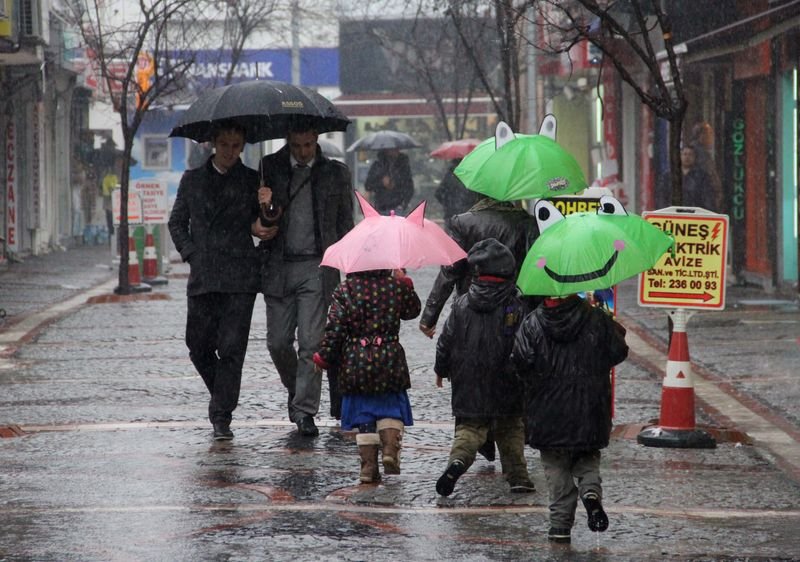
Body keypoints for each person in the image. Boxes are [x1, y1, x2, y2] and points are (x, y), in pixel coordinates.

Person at [252, 120, 354, 437]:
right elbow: (264, 219)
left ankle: (304, 411)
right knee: (278, 342)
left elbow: (345, 224)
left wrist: (349, 265)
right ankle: (297, 391)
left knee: (312, 344)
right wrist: (264, 210)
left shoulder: (336, 173)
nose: (302, 152)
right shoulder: (270, 168)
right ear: (288, 140)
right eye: (296, 146)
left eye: (307, 145)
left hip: (317, 267)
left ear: (316, 140)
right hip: (279, 267)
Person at [168, 120, 261, 441]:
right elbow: (177, 222)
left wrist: (267, 207)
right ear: (213, 144)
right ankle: (221, 394)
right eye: (225, 145)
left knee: (233, 349)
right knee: (198, 345)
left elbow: (265, 222)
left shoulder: (251, 180)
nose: (230, 152)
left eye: (236, 146)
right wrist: (192, 253)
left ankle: (221, 415)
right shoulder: (193, 180)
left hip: (239, 277)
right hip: (204, 276)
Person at [511, 293, 629, 544]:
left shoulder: (532, 323)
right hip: (590, 407)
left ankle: (560, 526)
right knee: (587, 459)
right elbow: (618, 351)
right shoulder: (596, 318)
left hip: (547, 409)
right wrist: (611, 325)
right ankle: (590, 494)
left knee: (556, 468)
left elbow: (520, 361)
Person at [434, 238, 535, 496]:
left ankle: (457, 463)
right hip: (508, 379)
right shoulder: (517, 304)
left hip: (469, 378)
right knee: (510, 429)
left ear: (477, 272)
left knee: (470, 428)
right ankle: (519, 477)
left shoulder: (462, 304)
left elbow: (446, 339)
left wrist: (441, 368)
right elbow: (528, 342)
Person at [312, 268, 421, 483]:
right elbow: (412, 311)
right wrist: (405, 283)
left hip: (356, 360)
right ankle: (389, 449)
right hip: (389, 357)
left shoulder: (346, 290)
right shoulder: (395, 286)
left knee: (364, 416)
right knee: (390, 408)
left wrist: (324, 357)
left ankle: (368, 467)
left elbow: (335, 329)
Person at [364, 148, 414, 215]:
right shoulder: (378, 165)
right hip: (381, 206)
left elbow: (409, 187)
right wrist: (382, 183)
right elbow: (369, 185)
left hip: (398, 206)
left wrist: (403, 204)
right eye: (391, 149)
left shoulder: (403, 166)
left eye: (395, 149)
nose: (394, 151)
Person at [434, 158, 479, 227]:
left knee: (450, 237)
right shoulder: (471, 176)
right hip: (468, 216)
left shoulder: (450, 174)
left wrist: (448, 205)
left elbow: (439, 193)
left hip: (451, 216)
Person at [681, 144, 720, 211]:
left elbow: (707, 198)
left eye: (690, 155)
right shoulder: (669, 176)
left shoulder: (702, 176)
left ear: (695, 157)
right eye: (685, 154)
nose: (687, 157)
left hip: (695, 214)